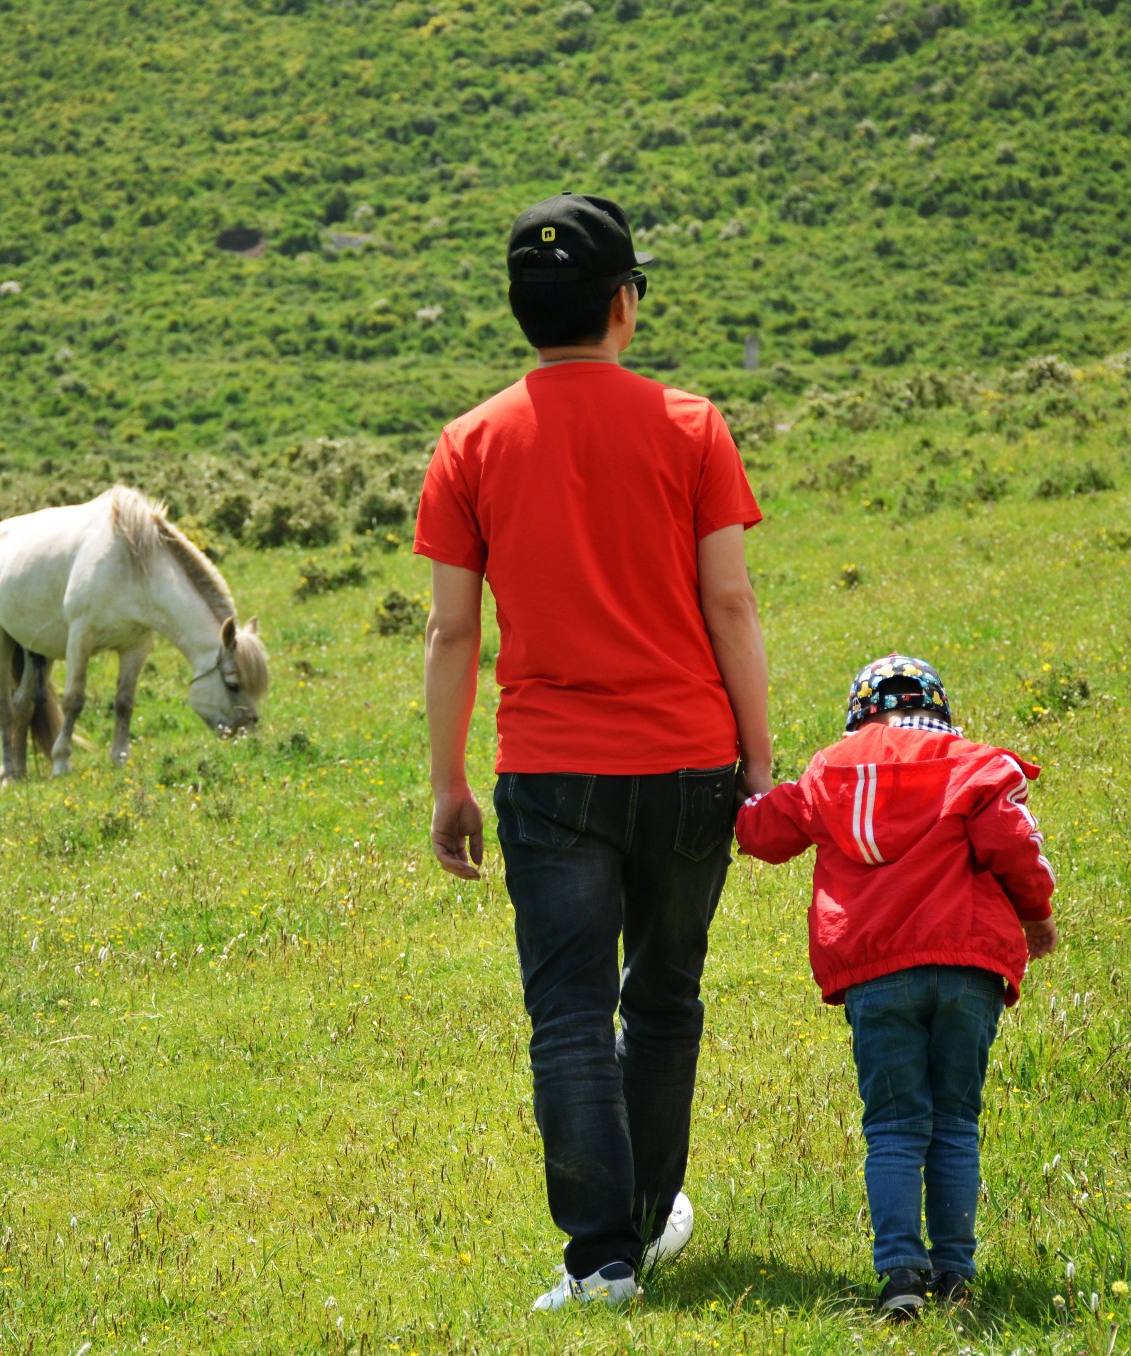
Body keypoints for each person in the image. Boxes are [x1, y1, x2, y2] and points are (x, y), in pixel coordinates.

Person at [415, 192, 773, 1312]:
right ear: (623, 305)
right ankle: (644, 1222)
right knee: (663, 998)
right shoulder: (690, 425)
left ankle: (601, 1259)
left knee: (567, 1012)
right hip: (686, 764)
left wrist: (446, 782)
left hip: (549, 773)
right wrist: (758, 765)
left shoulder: (469, 444)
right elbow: (730, 603)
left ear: (525, 312)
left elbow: (451, 632)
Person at [734, 655, 1058, 1319]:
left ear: (859, 713)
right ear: (937, 707)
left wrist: (737, 785)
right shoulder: (976, 762)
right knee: (955, 1125)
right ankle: (957, 1281)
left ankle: (901, 1279)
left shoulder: (831, 770)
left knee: (894, 1127)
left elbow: (762, 834)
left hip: (878, 974)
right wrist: (1037, 916)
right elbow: (1013, 841)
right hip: (969, 967)